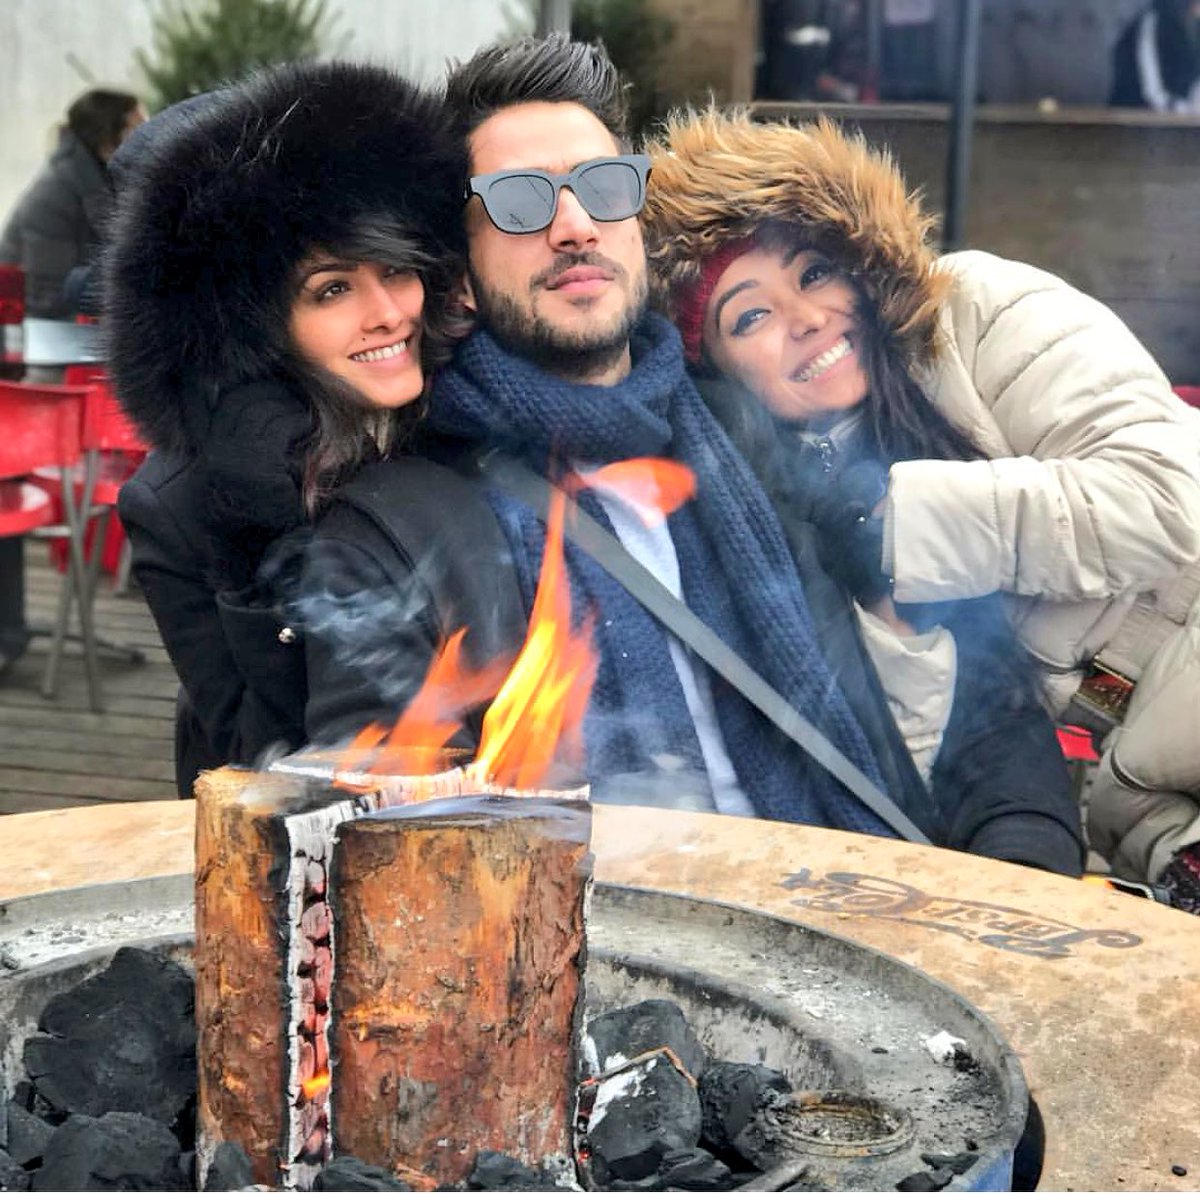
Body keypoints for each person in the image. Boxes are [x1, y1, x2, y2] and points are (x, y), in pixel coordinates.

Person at [298, 35, 1081, 873]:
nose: (575, 226)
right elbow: (395, 864)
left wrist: (1024, 872)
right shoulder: (395, 532)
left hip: (861, 893)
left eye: (604, 187)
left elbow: (978, 689)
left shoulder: (755, 430)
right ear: (458, 274)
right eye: (520, 202)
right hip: (609, 937)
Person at [640, 108, 1200, 902]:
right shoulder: (789, 503)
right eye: (751, 315)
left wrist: (900, 527)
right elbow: (974, 725)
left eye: (813, 273)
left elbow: (1164, 497)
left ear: (859, 263)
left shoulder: (977, 313)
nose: (806, 320)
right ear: (717, 368)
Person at [104, 61, 466, 796]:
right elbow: (255, 762)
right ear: (255, 325)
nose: (388, 313)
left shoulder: (465, 409)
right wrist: (255, 546)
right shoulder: (179, 505)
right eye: (332, 289)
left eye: (397, 269)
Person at [0, 89, 144, 319]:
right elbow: (46, 295)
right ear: (107, 140)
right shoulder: (55, 194)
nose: (148, 139)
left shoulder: (109, 181)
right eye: (137, 130)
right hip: (35, 328)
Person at [1111, 0, 1200, 114]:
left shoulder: (1192, 30)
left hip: (1179, 117)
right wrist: (1187, 110)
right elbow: (1152, 93)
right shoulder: (1150, 23)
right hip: (1135, 117)